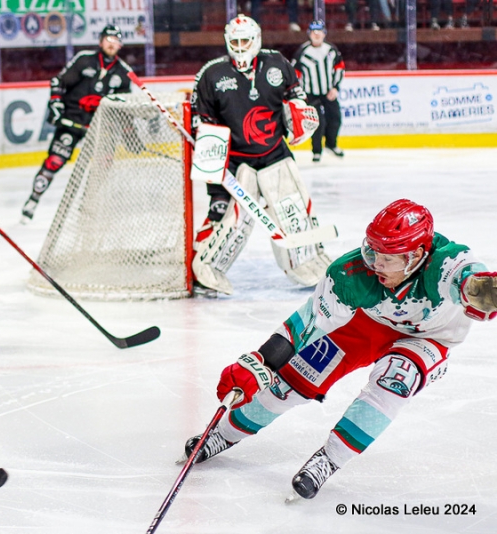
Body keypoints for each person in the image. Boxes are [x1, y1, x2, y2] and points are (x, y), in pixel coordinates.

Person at [183, 199, 497, 500]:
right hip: (369, 324)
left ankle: (329, 459)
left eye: (387, 259)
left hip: (429, 337)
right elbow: (307, 322)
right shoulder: (351, 273)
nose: (375, 265)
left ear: (416, 256)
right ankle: (224, 433)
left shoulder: (445, 264)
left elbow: (470, 277)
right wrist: (262, 361)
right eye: (373, 252)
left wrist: (481, 289)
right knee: (290, 382)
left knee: (395, 379)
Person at [190, 14, 331, 296]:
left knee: (294, 214)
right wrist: (214, 170)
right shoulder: (212, 74)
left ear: (256, 40)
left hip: (275, 154)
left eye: (245, 41)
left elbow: (295, 97)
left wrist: (298, 114)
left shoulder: (277, 63)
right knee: (224, 216)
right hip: (235, 161)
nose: (240, 47)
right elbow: (203, 124)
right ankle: (204, 272)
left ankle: (309, 265)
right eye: (235, 42)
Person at [19, 25, 133, 223]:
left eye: (116, 40)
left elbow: (123, 108)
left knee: (102, 167)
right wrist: (55, 105)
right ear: (100, 41)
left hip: (100, 128)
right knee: (54, 161)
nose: (111, 43)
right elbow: (59, 82)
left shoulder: (124, 73)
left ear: (120, 45)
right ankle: (33, 200)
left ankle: (86, 206)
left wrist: (130, 133)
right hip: (71, 121)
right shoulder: (84, 60)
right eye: (108, 39)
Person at [292, 20, 346, 163]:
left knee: (335, 118)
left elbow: (339, 68)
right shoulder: (302, 52)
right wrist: (300, 93)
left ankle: (331, 144)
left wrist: (335, 87)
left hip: (329, 92)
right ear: (309, 34)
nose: (316, 34)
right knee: (317, 123)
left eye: (319, 31)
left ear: (324, 33)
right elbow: (294, 74)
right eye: (313, 32)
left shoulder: (331, 50)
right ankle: (316, 151)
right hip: (310, 93)